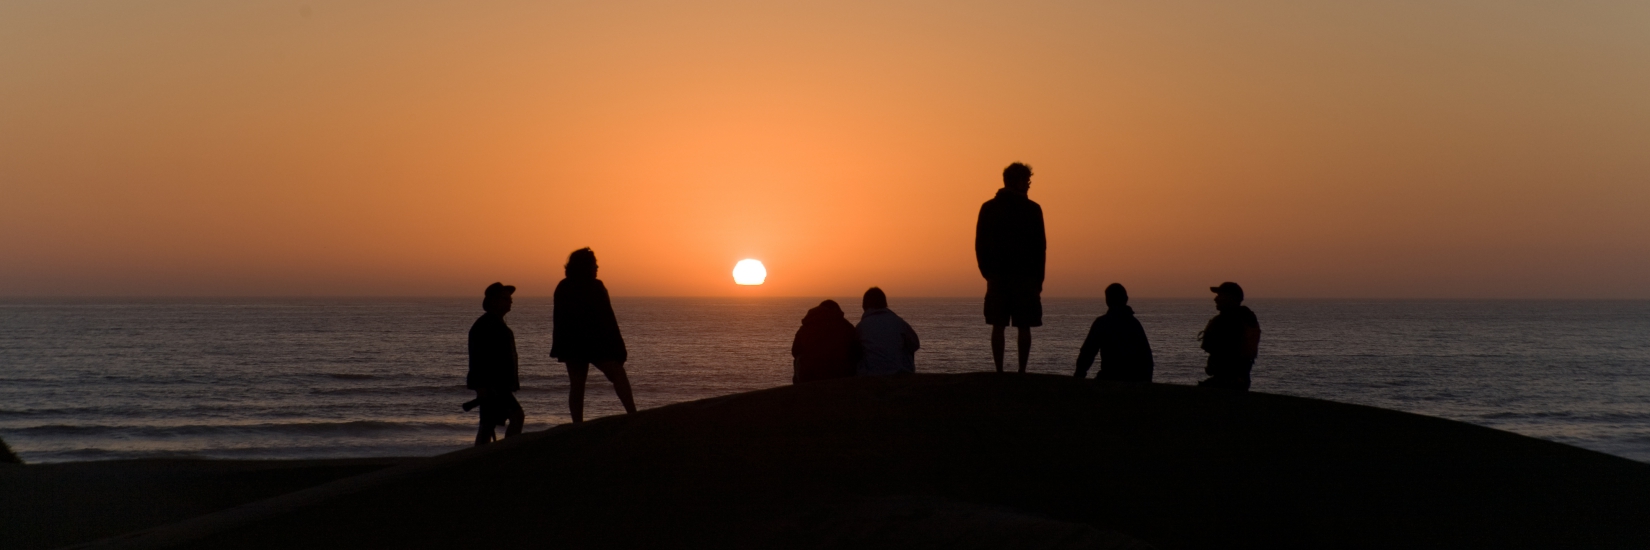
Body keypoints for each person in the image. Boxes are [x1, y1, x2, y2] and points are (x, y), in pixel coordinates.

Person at [550, 248, 638, 423]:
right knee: (617, 375)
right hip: (596, 343)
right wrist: (619, 347)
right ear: (586, 266)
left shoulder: (563, 286)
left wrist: (561, 346)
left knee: (577, 385)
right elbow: (608, 318)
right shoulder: (595, 286)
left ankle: (577, 424)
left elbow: (559, 320)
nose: (597, 267)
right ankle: (633, 414)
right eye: (594, 264)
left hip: (572, 344)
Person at [975, 162, 1046, 373]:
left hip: (997, 275)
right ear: (1017, 181)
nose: (1029, 185)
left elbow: (980, 244)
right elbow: (1040, 248)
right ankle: (1021, 371)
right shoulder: (1032, 209)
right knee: (1023, 325)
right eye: (1027, 181)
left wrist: (987, 272)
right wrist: (1038, 279)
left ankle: (999, 371)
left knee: (998, 324)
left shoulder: (989, 208)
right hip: (1025, 277)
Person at [467, 282, 524, 446]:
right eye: (506, 298)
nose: (510, 302)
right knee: (516, 416)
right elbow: (477, 358)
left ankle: (480, 458)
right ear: (493, 301)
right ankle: (507, 453)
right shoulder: (485, 326)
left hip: (498, 386)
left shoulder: (496, 324)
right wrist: (480, 386)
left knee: (487, 425)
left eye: (510, 299)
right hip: (493, 386)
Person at [1074, 283, 1154, 382]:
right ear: (1126, 299)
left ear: (1107, 300)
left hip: (1109, 380)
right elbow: (1147, 359)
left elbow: (1087, 353)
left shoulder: (1102, 323)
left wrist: (1078, 377)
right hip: (1133, 383)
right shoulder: (1135, 324)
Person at [1197, 282, 1262, 391]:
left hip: (1226, 382)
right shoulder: (1246, 318)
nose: (1216, 299)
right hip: (1242, 380)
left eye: (1219, 296)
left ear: (1230, 298)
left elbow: (1220, 351)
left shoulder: (1226, 321)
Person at [791, 299, 862, 384]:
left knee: (798, 359)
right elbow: (857, 352)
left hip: (810, 377)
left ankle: (798, 390)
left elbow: (795, 351)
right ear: (837, 311)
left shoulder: (806, 327)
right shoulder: (846, 327)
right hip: (840, 376)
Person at [855, 287, 920, 376]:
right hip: (900, 373)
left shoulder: (860, 327)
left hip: (870, 375)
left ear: (864, 305)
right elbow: (915, 344)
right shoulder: (898, 322)